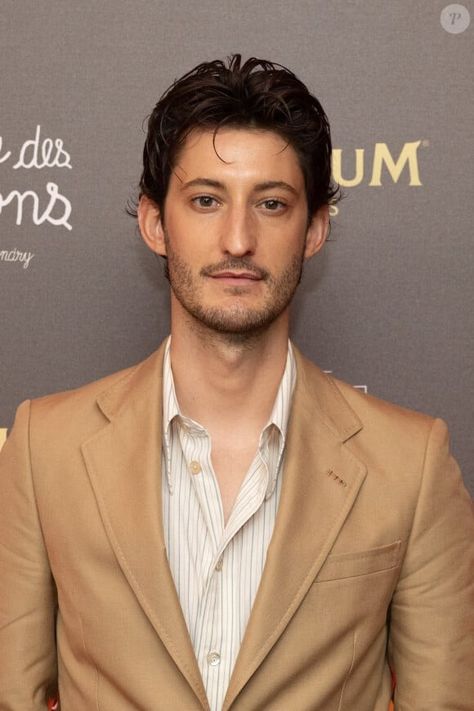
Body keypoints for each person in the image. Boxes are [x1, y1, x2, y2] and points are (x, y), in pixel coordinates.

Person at [0, 55, 473, 711]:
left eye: (272, 204)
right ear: (154, 222)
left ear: (313, 230)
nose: (238, 238)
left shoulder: (411, 464)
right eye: (205, 200)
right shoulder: (42, 446)